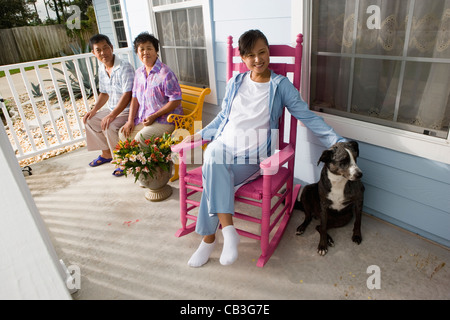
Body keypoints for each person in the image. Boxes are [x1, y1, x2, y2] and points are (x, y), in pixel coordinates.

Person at [183, 30, 348, 267]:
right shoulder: (235, 82)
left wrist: (336, 141)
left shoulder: (280, 86)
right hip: (224, 146)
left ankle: (209, 240)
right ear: (243, 58)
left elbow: (307, 117)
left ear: (268, 51)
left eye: (262, 52)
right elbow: (222, 118)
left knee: (212, 171)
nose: (258, 59)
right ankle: (229, 232)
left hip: (252, 158)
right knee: (212, 155)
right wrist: (198, 135)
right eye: (250, 55)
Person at [118, 32, 183, 173]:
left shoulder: (165, 73)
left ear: (156, 51)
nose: (145, 52)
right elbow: (134, 97)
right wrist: (130, 121)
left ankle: (153, 174)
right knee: (123, 134)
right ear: (137, 52)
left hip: (166, 120)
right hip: (146, 119)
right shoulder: (139, 73)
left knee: (141, 138)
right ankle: (140, 171)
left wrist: (154, 116)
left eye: (149, 48)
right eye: (141, 49)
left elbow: (175, 100)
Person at [83, 34, 135, 176]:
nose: (103, 53)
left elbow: (128, 94)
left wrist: (112, 115)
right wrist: (94, 110)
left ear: (111, 48)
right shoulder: (102, 68)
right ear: (94, 53)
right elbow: (104, 93)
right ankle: (107, 154)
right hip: (112, 109)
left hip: (127, 111)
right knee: (89, 120)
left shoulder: (124, 67)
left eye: (105, 48)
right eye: (98, 50)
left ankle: (123, 161)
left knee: (110, 126)